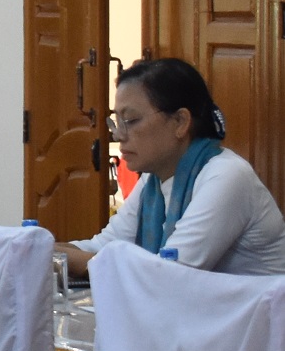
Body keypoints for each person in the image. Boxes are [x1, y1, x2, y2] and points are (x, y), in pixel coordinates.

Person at [64, 57, 285, 277]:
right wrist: (47, 248)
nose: (118, 135)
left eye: (130, 120)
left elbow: (168, 274)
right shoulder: (153, 179)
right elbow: (104, 246)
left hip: (255, 302)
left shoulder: (227, 176)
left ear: (180, 122)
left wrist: (55, 257)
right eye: (116, 122)